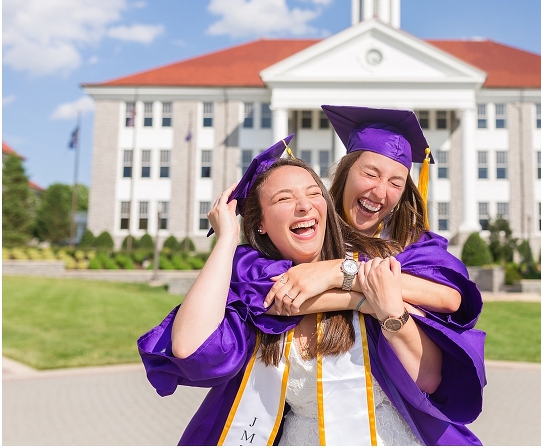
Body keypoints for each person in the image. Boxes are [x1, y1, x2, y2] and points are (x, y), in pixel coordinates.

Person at [138, 137, 485, 446]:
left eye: (313, 193)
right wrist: (228, 238)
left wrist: (345, 278)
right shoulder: (253, 279)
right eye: (284, 198)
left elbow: (438, 341)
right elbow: (188, 348)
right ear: (259, 221)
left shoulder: (381, 262)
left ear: (326, 207)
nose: (303, 205)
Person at [261, 106, 482, 333]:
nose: (380, 193)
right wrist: (370, 300)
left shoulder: (409, 243)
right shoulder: (309, 232)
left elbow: (449, 297)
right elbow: (265, 295)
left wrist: (337, 273)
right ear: (346, 172)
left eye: (396, 183)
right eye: (371, 174)